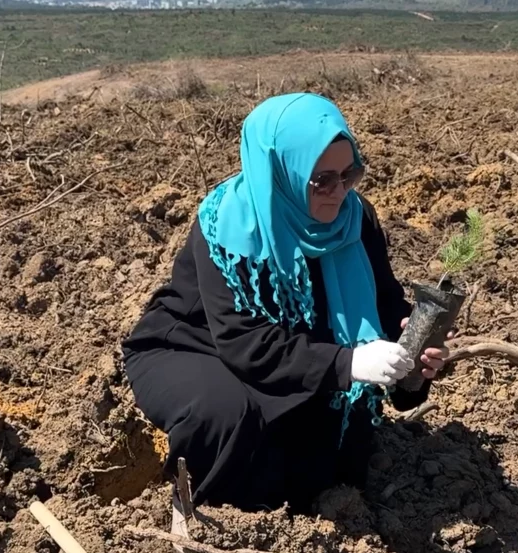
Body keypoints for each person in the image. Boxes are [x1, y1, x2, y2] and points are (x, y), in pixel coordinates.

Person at [121, 93, 449, 540]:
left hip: (293, 350)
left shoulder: (355, 220)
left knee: (333, 451)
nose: (340, 192)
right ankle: (211, 524)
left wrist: (414, 359)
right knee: (227, 415)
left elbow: (387, 309)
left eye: (349, 174)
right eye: (322, 181)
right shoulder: (228, 225)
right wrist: (347, 364)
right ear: (282, 172)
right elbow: (243, 341)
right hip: (192, 346)